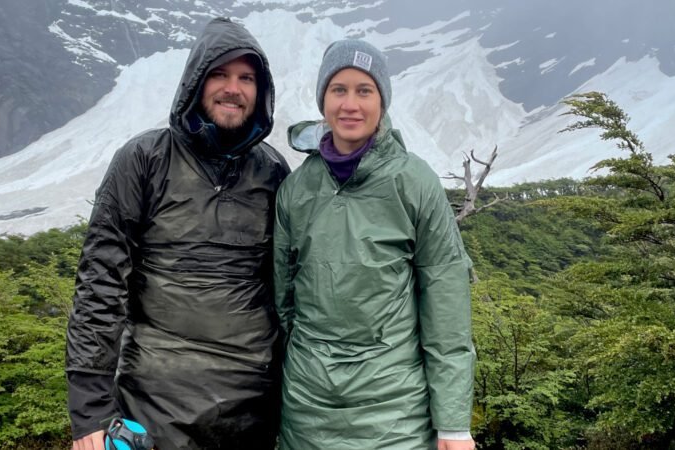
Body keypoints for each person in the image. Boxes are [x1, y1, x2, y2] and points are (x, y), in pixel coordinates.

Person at [66, 17, 290, 450]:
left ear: (260, 92)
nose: (233, 88)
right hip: (153, 409)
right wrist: (90, 409)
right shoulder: (143, 160)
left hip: (254, 413)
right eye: (220, 74)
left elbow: (290, 290)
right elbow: (100, 285)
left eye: (247, 78)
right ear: (195, 82)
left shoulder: (273, 171)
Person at [273, 39, 476, 449]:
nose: (351, 104)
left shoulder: (414, 182)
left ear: (382, 101)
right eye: (339, 89)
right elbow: (284, 301)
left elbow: (446, 308)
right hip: (308, 410)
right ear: (323, 100)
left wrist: (453, 425)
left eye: (364, 91)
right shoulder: (296, 190)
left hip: (394, 412)